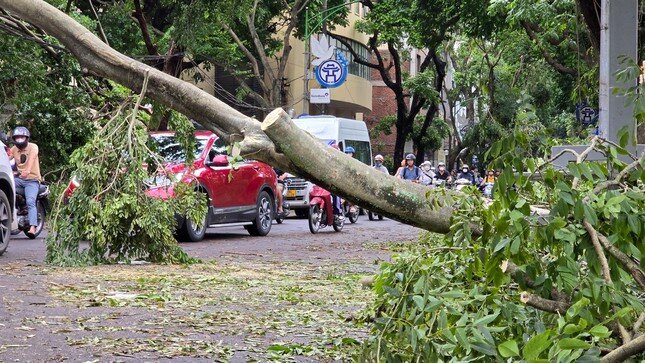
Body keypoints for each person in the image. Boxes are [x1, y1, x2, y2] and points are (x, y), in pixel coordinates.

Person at [10, 126, 41, 239]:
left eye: (22, 137)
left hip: (32, 181)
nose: (19, 140)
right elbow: (6, 157)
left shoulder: (33, 147)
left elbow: (32, 159)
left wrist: (27, 171)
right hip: (19, 180)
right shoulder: (13, 149)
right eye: (17, 138)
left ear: (26, 138)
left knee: (30, 201)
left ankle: (33, 227)